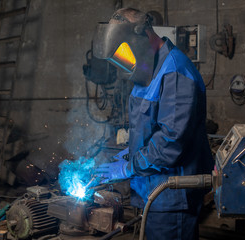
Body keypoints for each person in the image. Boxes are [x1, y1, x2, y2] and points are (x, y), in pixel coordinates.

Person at [93, 8, 214, 240]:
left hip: (172, 196)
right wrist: (131, 153)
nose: (124, 60)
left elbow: (170, 142)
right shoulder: (149, 68)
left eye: (124, 51)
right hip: (154, 190)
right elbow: (150, 127)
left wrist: (129, 167)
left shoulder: (175, 72)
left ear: (142, 36)